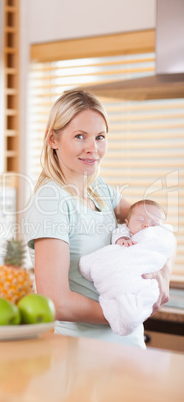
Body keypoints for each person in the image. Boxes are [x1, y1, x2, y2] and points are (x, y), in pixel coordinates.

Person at [25, 90, 172, 349]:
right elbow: (56, 302)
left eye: (100, 137)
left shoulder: (99, 189)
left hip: (129, 347)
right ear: (53, 139)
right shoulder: (50, 199)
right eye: (80, 136)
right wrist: (124, 314)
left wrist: (163, 274)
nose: (93, 149)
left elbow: (155, 229)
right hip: (83, 352)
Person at [79, 200, 176, 336]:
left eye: (154, 223)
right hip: (120, 270)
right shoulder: (124, 232)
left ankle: (130, 312)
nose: (146, 224)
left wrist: (164, 273)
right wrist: (123, 239)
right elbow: (118, 237)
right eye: (141, 219)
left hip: (143, 274)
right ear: (127, 222)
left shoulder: (158, 236)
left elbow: (168, 244)